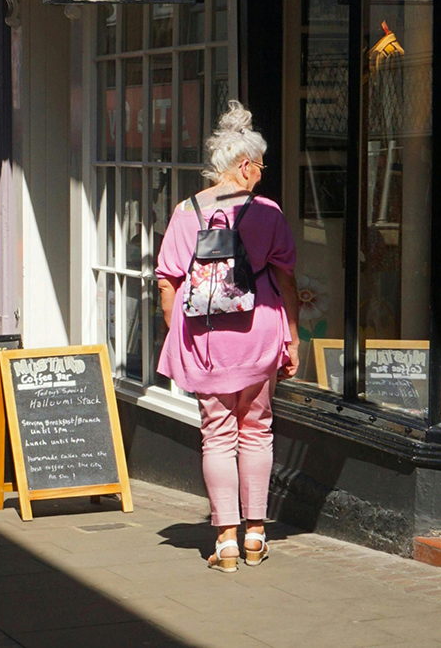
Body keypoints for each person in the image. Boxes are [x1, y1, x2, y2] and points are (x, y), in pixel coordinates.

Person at [155, 101, 300, 573]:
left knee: (217, 435)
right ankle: (257, 533)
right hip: (259, 333)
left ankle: (227, 541)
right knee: (257, 429)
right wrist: (292, 337)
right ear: (244, 164)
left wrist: (176, 332)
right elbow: (286, 280)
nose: (261, 173)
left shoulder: (185, 210)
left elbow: (167, 283)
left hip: (207, 338)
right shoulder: (269, 212)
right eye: (259, 166)